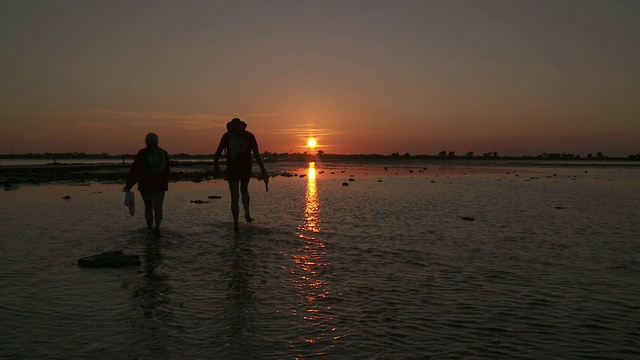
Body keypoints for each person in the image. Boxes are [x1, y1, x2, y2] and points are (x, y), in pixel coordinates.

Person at [214, 118, 269, 232]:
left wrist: (264, 171)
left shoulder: (238, 136)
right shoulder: (234, 136)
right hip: (237, 169)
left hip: (240, 169)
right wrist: (216, 164)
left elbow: (218, 152)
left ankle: (241, 219)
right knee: (239, 193)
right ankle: (239, 221)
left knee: (239, 193)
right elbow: (257, 155)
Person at [124, 132, 170, 236]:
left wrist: (128, 186)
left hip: (145, 184)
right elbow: (167, 170)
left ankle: (150, 229)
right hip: (160, 185)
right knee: (158, 208)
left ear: (146, 142)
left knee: (148, 207)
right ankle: (157, 228)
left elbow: (135, 170)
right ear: (157, 141)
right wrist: (164, 182)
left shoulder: (142, 153)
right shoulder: (163, 153)